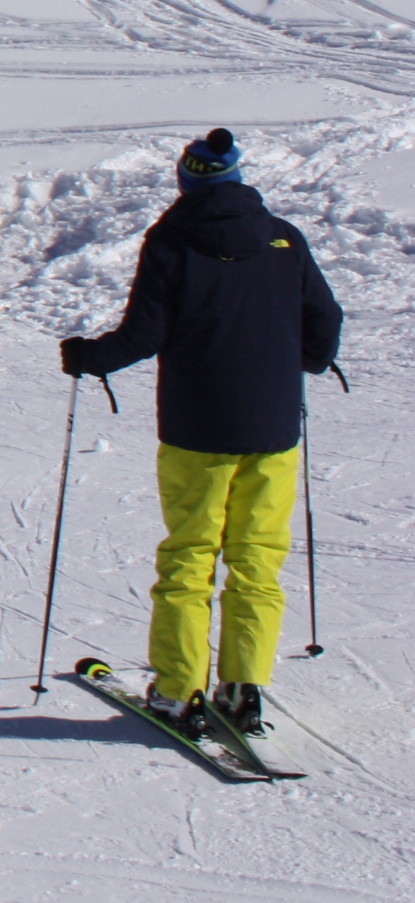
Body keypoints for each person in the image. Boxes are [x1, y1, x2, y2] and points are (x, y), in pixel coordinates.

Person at [61, 128, 342, 737]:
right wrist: (313, 359)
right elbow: (325, 319)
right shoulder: (284, 238)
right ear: (236, 177)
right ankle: (245, 686)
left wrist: (88, 357)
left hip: (197, 429)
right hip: (271, 428)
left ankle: (177, 689)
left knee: (191, 556)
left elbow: (143, 335)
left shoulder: (171, 240)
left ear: (186, 180)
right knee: (257, 557)